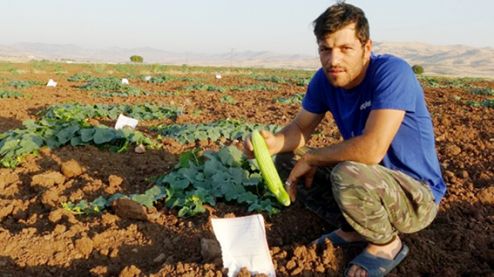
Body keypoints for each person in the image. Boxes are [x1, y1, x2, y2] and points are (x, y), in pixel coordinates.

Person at [244, 2, 446, 276]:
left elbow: (372, 149)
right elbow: (300, 128)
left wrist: (313, 157)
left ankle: (386, 243)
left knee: (347, 171)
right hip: (368, 182)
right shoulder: (324, 81)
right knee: (286, 161)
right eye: (325, 49)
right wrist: (269, 145)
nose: (333, 60)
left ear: (367, 47)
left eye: (345, 49)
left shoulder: (392, 73)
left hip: (415, 197)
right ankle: (354, 229)